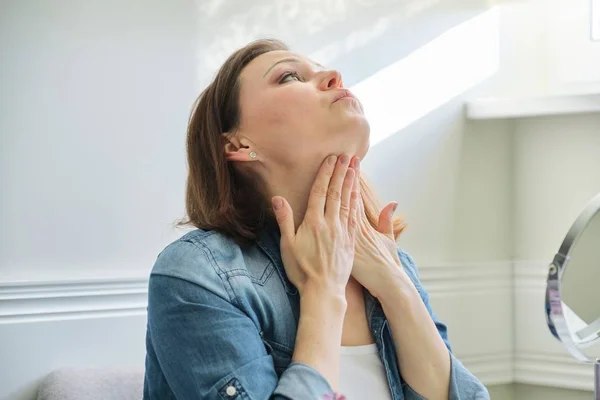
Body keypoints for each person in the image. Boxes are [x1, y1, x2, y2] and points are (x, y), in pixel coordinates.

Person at [143, 38, 489, 400]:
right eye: (290, 77)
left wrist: (396, 287)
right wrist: (322, 291)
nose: (333, 76)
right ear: (239, 145)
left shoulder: (393, 263)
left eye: (322, 69)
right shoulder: (198, 274)